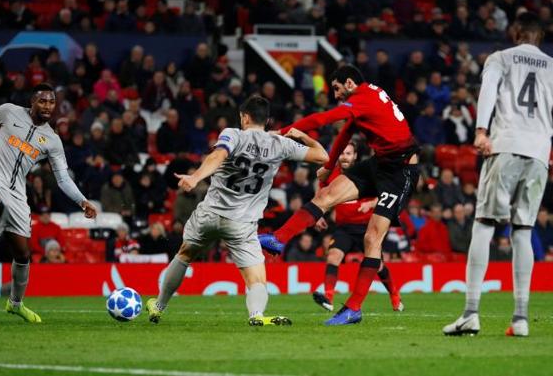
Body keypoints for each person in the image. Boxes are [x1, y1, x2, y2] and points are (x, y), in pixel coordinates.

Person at [145, 95, 328, 326]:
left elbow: (217, 155)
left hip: (210, 214)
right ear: (267, 120)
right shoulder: (280, 144)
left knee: (185, 254)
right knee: (256, 277)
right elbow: (323, 156)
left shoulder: (233, 134)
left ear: (245, 117)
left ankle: (159, 306)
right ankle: (257, 316)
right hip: (242, 224)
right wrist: (301, 135)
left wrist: (196, 177)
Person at [259, 65, 419, 326]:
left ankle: (353, 308)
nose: (335, 95)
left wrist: (282, 131)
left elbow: (322, 119)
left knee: (372, 238)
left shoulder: (363, 98)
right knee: (327, 195)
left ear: (349, 82)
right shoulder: (366, 97)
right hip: (379, 163)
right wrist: (328, 167)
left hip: (401, 172)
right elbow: (345, 132)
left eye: (336, 88)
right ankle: (278, 239)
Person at [443, 13, 553, 338]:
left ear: (516, 32)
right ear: (540, 36)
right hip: (538, 154)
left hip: (505, 145)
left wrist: (481, 130)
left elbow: (488, 89)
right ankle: (520, 319)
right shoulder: (551, 64)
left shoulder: (501, 58)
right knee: (522, 231)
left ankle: (470, 314)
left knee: (484, 224)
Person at [0, 83, 97, 323]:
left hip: (17, 193)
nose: (47, 106)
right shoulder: (9, 111)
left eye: (51, 102)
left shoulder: (52, 140)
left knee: (23, 254)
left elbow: (62, 178)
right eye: (43, 101)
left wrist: (82, 200)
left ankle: (15, 304)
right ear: (32, 101)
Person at [312, 142, 402, 313]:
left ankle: (394, 295)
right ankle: (328, 298)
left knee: (379, 266)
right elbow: (322, 195)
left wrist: (371, 203)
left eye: (348, 153)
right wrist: (318, 214)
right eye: (342, 153)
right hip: (344, 228)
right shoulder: (330, 174)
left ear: (355, 156)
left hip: (367, 228)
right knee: (333, 256)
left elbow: (388, 195)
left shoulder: (367, 172)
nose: (344, 156)